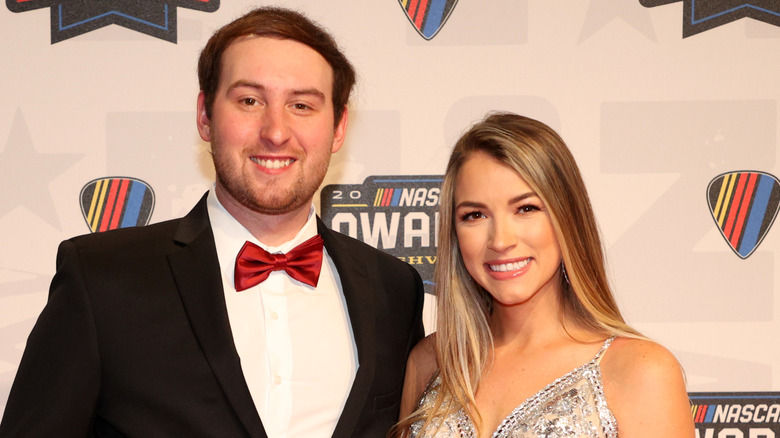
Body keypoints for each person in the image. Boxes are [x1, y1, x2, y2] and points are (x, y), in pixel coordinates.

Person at [0, 7, 424, 438]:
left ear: (338, 127)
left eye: (301, 105)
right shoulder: (101, 279)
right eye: (249, 101)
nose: (276, 131)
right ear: (205, 115)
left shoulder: (393, 290)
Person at [395, 113, 694, 437]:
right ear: (454, 231)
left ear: (568, 218)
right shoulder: (432, 362)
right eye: (475, 215)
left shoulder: (640, 370)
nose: (500, 240)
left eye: (526, 209)